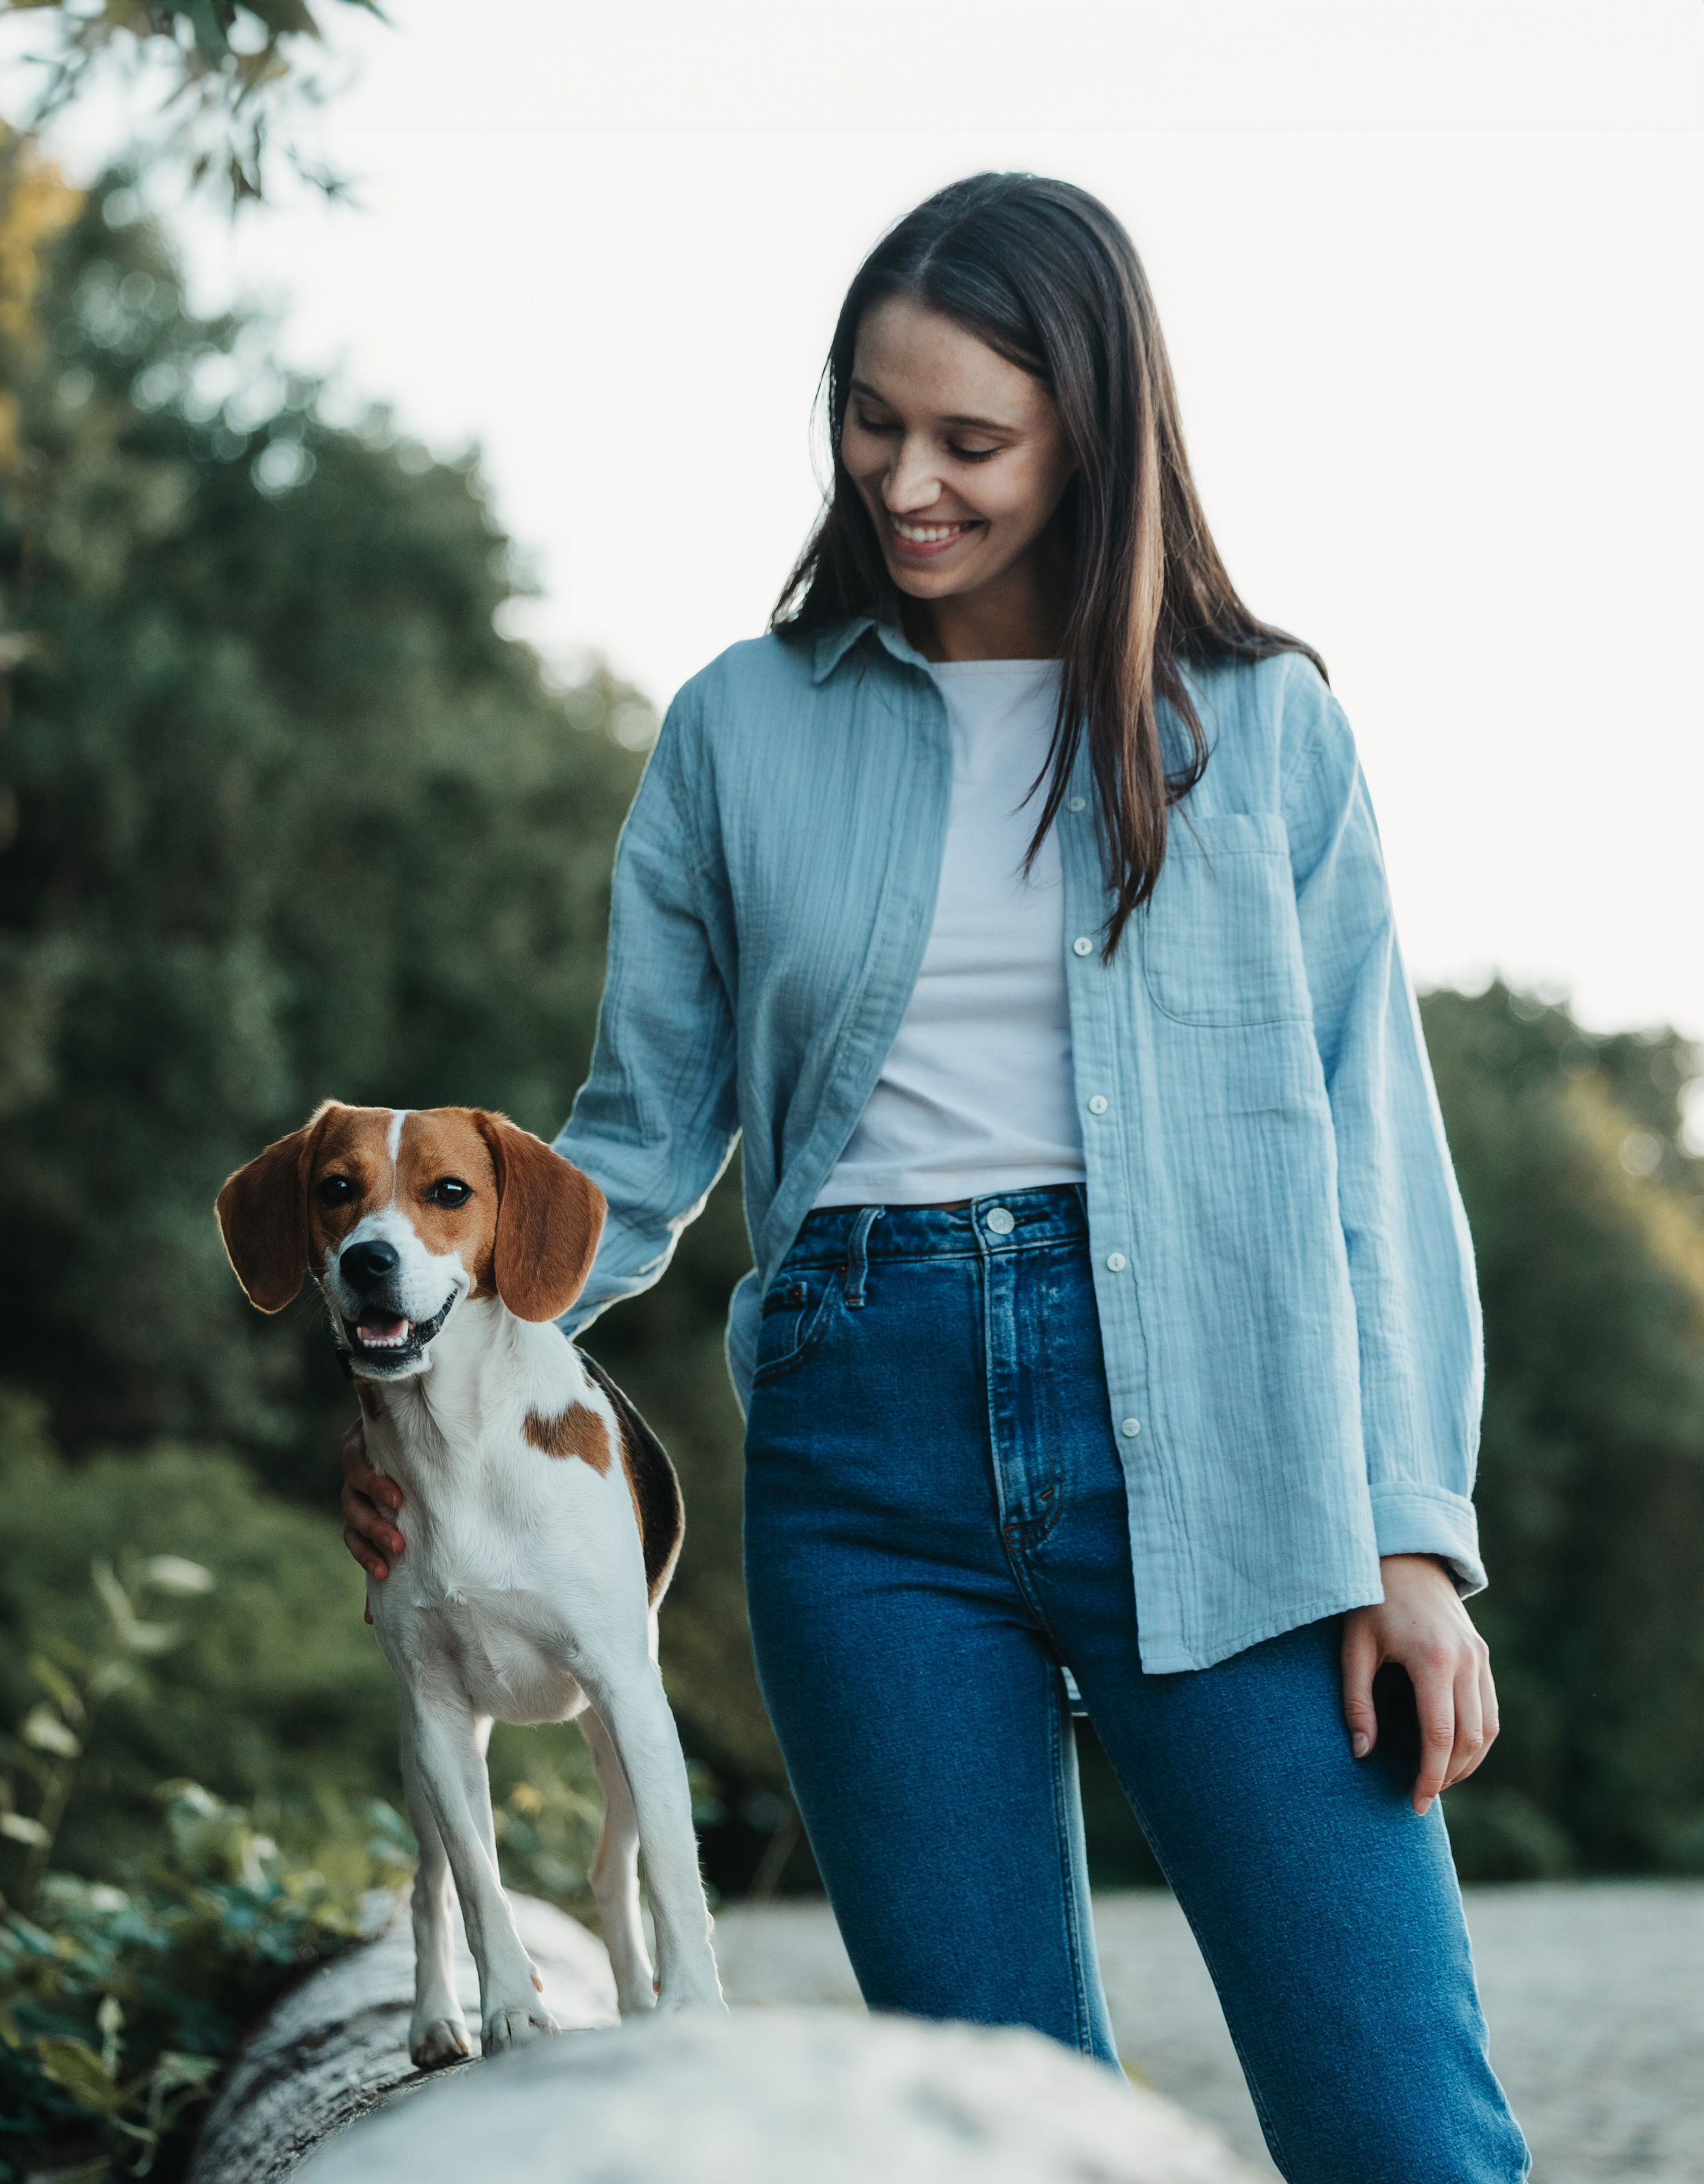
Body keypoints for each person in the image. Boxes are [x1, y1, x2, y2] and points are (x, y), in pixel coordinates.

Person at [341, 173, 1528, 2181]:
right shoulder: (739, 728)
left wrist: (1413, 1535)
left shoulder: (1264, 727)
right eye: (871, 423)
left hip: (1232, 1455)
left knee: (1404, 2126)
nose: (908, 480)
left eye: (971, 439)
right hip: (860, 1458)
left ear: (1096, 429)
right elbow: (623, 1155)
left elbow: (1374, 1157)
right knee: (998, 2139)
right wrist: (418, 1376)